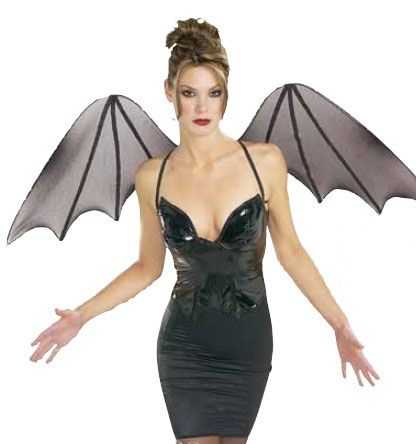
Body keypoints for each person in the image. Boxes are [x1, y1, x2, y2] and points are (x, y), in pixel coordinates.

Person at [29, 17, 379, 444]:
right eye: (189, 93)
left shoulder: (264, 162)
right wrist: (82, 315)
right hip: (184, 348)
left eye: (213, 93)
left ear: (226, 95)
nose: (202, 107)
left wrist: (339, 324)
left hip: (248, 345)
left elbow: (291, 253)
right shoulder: (152, 176)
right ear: (169, 92)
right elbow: (147, 267)